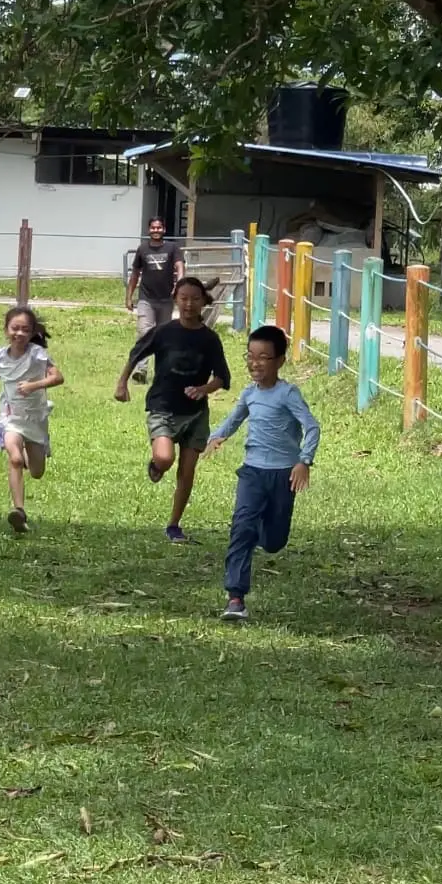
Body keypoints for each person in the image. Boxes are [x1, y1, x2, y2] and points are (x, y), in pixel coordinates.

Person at [203, 323, 320, 622]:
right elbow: (233, 421)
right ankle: (235, 597)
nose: (255, 363)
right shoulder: (249, 394)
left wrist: (303, 461)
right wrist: (213, 438)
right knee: (241, 528)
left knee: (273, 541)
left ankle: (260, 533)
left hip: (283, 475)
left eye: (263, 357)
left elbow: (312, 426)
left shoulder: (288, 394)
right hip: (253, 472)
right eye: (250, 356)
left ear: (279, 361)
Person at [114, 275, 230, 543]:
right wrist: (122, 383)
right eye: (184, 298)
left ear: (204, 302)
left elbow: (223, 378)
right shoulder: (165, 331)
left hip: (196, 414)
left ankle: (174, 525)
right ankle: (156, 465)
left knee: (187, 471)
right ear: (176, 300)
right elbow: (137, 353)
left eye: (195, 299)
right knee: (166, 459)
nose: (189, 304)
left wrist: (204, 390)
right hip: (163, 407)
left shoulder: (210, 339)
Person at [0, 304, 63, 533]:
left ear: (32, 332)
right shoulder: (0, 355)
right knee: (14, 459)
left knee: (36, 472)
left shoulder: (37, 354)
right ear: (6, 330)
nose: (20, 334)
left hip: (34, 418)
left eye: (25, 329)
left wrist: (35, 385)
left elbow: (57, 377)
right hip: (11, 417)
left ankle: (29, 452)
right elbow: (1, 371)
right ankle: (19, 511)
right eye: (15, 328)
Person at [125, 216, 184, 381]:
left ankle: (163, 370)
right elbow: (135, 274)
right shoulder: (143, 249)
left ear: (164, 230)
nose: (156, 230)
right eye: (153, 228)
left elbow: (180, 266)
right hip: (146, 299)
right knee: (145, 333)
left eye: (159, 228)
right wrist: (129, 297)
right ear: (149, 230)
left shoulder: (172, 248)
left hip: (166, 299)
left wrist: (179, 285)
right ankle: (140, 371)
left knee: (164, 335)